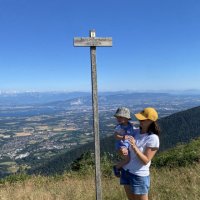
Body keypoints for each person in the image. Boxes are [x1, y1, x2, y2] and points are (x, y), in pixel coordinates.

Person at [119, 107, 160, 200]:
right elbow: (126, 148)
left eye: (143, 119)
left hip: (139, 175)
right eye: (139, 118)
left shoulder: (153, 138)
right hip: (126, 172)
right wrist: (122, 150)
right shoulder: (136, 132)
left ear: (150, 121)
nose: (140, 120)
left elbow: (145, 160)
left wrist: (134, 146)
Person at [113, 107, 136, 177]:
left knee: (130, 158)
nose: (118, 119)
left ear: (126, 118)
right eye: (117, 117)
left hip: (128, 144)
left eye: (120, 117)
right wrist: (122, 137)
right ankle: (117, 167)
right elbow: (115, 136)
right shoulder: (119, 127)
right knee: (127, 159)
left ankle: (122, 167)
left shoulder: (130, 125)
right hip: (122, 144)